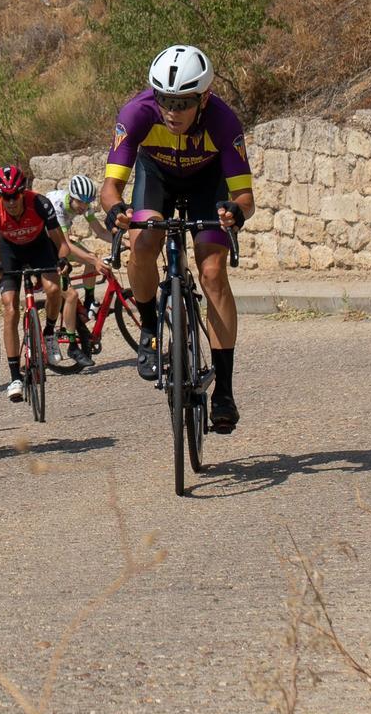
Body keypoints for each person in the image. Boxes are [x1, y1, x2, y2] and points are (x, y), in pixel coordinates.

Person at [98, 44, 257, 433]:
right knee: (142, 241)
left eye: (183, 103)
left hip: (208, 183)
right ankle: (150, 329)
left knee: (214, 272)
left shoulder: (223, 122)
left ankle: (224, 392)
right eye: (165, 100)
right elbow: (110, 188)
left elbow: (245, 198)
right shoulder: (136, 113)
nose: (172, 112)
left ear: (203, 97)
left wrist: (235, 212)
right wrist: (116, 209)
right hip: (157, 181)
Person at [0, 164, 98, 405]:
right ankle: (16, 376)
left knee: (54, 289)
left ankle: (48, 332)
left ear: (22, 192)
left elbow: (61, 243)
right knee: (9, 309)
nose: (12, 201)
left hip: (39, 248)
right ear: (0, 196)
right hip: (10, 252)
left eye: (15, 195)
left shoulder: (39, 203)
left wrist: (62, 261)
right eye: (6, 196)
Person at [39, 173, 110, 362]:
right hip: (46, 247)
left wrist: (122, 241)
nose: (84, 208)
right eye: (81, 204)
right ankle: (72, 346)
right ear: (72, 196)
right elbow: (66, 245)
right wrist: (93, 260)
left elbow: (100, 231)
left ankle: (88, 302)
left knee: (90, 259)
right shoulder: (58, 205)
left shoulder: (83, 204)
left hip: (59, 244)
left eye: (87, 204)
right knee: (70, 295)